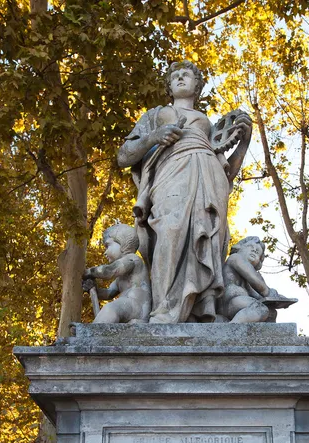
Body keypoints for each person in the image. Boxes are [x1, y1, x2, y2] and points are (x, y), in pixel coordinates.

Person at [117, 60, 252, 323]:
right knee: (170, 230)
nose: (180, 78)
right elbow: (123, 156)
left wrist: (244, 142)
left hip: (209, 176)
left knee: (207, 236)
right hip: (171, 172)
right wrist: (153, 138)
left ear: (197, 85)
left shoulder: (208, 125)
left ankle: (200, 308)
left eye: (187, 75)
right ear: (168, 86)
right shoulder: (155, 115)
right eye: (175, 75)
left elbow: (228, 172)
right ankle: (164, 309)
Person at [82, 223, 151, 323]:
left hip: (138, 307)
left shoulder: (133, 259)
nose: (105, 252)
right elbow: (108, 294)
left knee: (110, 309)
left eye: (107, 246)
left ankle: (92, 332)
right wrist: (94, 289)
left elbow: (109, 271)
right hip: (129, 307)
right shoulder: (120, 278)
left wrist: (89, 272)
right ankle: (94, 329)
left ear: (122, 243)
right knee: (111, 308)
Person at [222, 236, 281, 323]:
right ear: (239, 248)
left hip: (240, 303)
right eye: (250, 247)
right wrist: (269, 292)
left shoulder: (248, 281)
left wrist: (277, 300)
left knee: (271, 313)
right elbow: (258, 283)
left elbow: (257, 296)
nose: (254, 250)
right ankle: (231, 329)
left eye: (258, 252)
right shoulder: (235, 258)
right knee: (260, 309)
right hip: (229, 302)